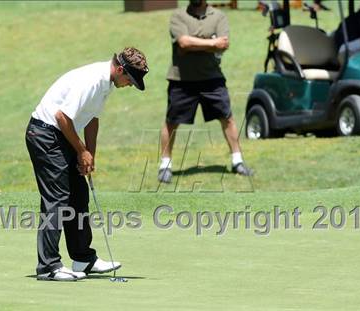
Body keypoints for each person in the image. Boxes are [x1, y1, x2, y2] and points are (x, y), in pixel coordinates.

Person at [25, 47, 149, 281]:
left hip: (62, 135)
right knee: (58, 200)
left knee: (79, 195)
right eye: (130, 79)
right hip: (44, 134)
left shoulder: (107, 82)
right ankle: (48, 266)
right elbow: (62, 116)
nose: (130, 85)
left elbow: (92, 118)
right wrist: (81, 150)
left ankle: (83, 258)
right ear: (120, 69)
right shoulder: (93, 80)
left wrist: (90, 153)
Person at [158, 0, 253, 183]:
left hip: (212, 78)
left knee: (227, 118)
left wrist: (196, 43)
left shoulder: (219, 16)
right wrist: (211, 42)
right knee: (171, 122)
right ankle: (165, 165)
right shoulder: (179, 15)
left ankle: (237, 161)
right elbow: (183, 43)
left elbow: (223, 44)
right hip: (181, 79)